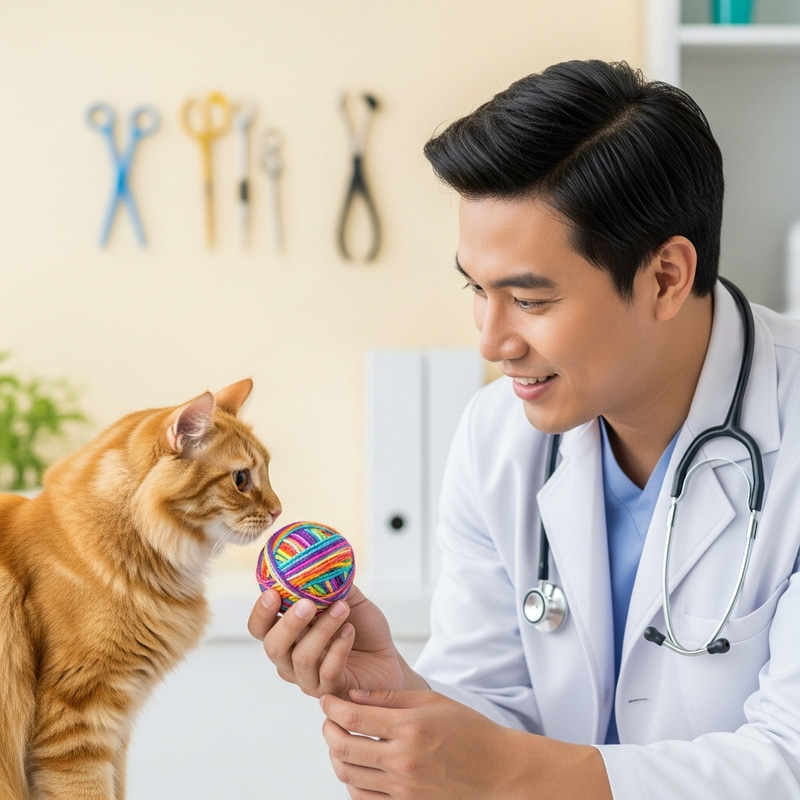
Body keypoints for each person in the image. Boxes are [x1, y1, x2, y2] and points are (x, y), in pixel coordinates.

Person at [248, 59, 800, 799]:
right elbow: (490, 712)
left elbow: (787, 763)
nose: (491, 340)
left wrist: (507, 771)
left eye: (530, 300)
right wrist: (395, 693)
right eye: (476, 288)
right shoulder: (499, 436)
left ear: (666, 277)